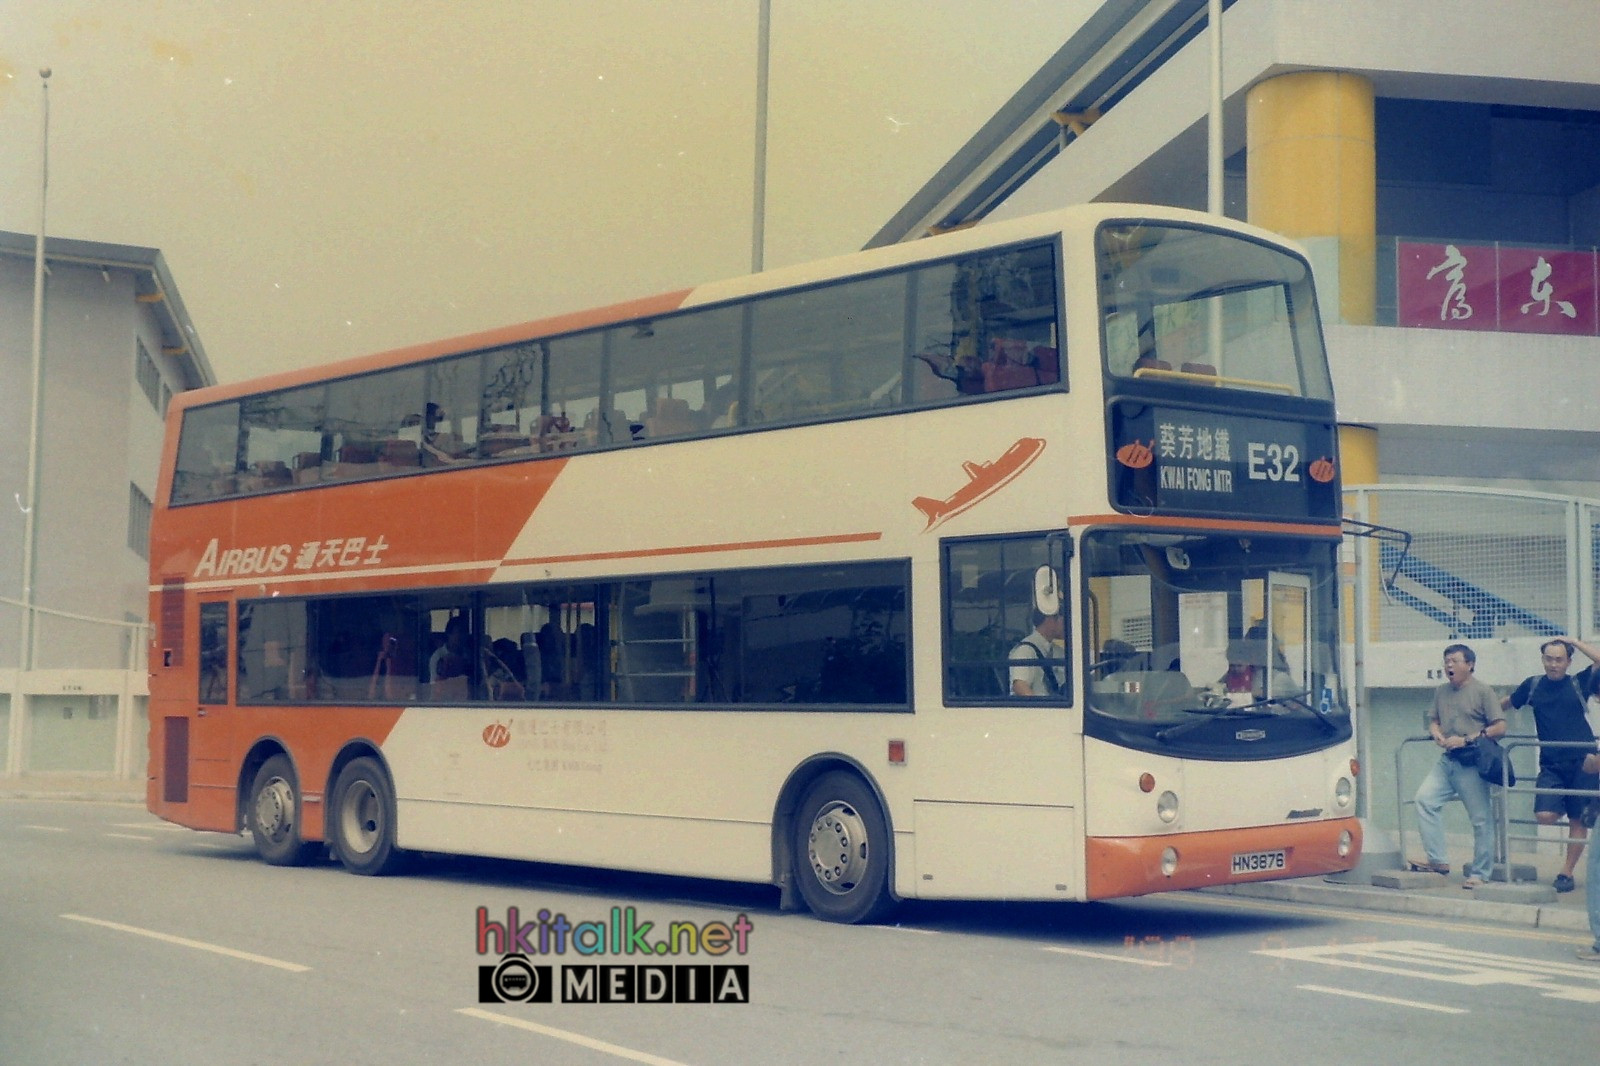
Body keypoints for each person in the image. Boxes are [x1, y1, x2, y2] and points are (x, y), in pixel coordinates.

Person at [1502, 636, 1600, 893]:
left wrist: (1574, 641)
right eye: (1549, 659)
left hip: (1584, 761)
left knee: (1578, 821)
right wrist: (1482, 715)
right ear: (1542, 659)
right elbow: (1509, 702)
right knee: (1544, 815)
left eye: (1559, 659)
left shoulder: (1579, 682)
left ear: (1568, 662)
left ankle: (1566, 873)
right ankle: (1573, 804)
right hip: (1551, 764)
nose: (1553, 664)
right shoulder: (1533, 685)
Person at [1411, 643, 1507, 888]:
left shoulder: (1483, 691)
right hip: (1448, 760)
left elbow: (1499, 727)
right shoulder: (1441, 691)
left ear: (1470, 665)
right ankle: (1438, 860)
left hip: (1472, 760)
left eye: (1454, 661)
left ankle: (1480, 873)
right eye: (1446, 661)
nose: (1449, 666)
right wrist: (1435, 732)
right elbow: (1433, 719)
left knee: (1480, 818)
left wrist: (1466, 739)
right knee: (1425, 800)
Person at [1009, 610, 1065, 697]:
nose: (1067, 626)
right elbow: (1020, 686)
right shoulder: (1025, 650)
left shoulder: (1058, 651)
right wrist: (1042, 704)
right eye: (1063, 621)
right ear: (1049, 620)